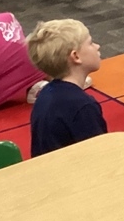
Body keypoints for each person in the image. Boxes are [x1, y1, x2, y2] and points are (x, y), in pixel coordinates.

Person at [27, 19, 106, 157]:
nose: (97, 46)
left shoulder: (45, 93)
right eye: (91, 43)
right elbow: (100, 155)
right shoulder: (82, 106)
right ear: (76, 56)